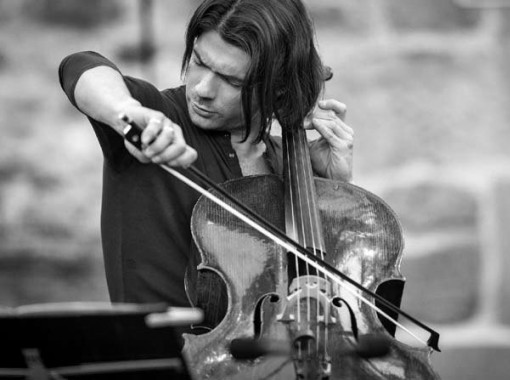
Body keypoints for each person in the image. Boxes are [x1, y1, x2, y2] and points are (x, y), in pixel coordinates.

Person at [58, 0, 353, 331]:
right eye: (199, 62)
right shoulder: (159, 119)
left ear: (278, 85)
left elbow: (331, 308)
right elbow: (80, 68)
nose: (202, 89)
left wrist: (334, 192)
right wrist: (125, 110)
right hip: (164, 361)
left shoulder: (290, 163)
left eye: (232, 81)